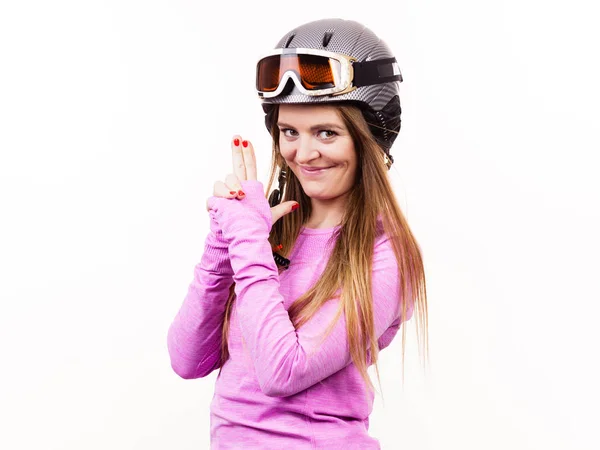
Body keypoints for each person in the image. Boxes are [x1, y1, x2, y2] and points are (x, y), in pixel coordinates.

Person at [167, 18, 428, 449]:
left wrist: (247, 241)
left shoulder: (387, 255)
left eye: (326, 132)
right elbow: (188, 359)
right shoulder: (267, 231)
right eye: (290, 132)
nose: (303, 154)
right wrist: (223, 237)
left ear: (369, 138)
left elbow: (282, 371)